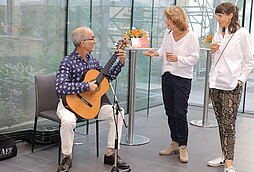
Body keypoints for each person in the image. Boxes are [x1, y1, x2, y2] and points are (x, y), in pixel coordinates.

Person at [55, 27, 130, 172]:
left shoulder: (93, 61)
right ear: (82, 43)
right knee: (68, 121)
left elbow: (107, 78)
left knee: (118, 112)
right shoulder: (67, 61)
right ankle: (67, 157)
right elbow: (60, 87)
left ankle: (110, 153)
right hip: (69, 105)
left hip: (91, 106)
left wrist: (120, 62)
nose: (95, 41)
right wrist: (86, 86)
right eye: (92, 39)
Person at [143, 6, 199, 163]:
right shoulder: (168, 33)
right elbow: (162, 50)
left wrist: (179, 59)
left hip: (182, 77)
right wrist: (156, 54)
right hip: (167, 75)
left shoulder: (191, 36)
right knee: (170, 111)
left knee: (180, 112)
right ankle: (174, 142)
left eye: (168, 18)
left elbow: (195, 58)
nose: (166, 21)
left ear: (176, 19)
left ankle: (183, 146)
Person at [206, 2, 254, 172]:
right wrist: (212, 51)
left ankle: (229, 164)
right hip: (216, 83)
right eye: (216, 16)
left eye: (220, 16)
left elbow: (249, 62)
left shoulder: (242, 34)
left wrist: (240, 81)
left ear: (230, 16)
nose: (217, 19)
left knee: (229, 124)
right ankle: (223, 155)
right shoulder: (218, 33)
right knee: (221, 123)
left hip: (231, 85)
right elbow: (217, 61)